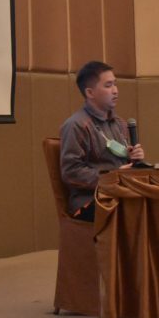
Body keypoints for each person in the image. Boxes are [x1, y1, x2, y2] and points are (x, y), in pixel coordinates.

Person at [59, 61, 145, 222]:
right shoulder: (76, 125)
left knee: (156, 204)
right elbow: (71, 172)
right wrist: (112, 177)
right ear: (90, 92)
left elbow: (122, 167)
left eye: (115, 84)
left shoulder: (119, 123)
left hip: (119, 194)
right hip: (91, 201)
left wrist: (134, 159)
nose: (115, 90)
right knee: (140, 211)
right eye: (108, 85)